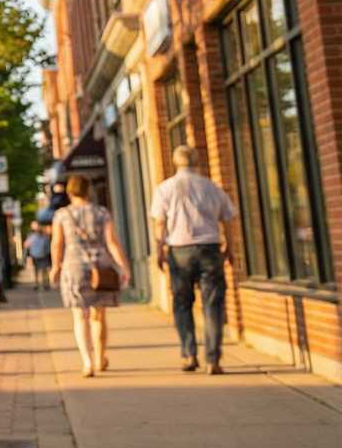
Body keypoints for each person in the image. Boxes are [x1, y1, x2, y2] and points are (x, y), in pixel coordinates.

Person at [149, 144, 238, 374]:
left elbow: (159, 223)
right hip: (209, 248)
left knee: (181, 303)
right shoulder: (210, 187)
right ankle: (213, 360)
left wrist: (159, 249)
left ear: (175, 162)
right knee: (213, 303)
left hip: (179, 250)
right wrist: (229, 244)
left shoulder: (165, 188)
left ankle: (189, 354)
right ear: (196, 162)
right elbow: (227, 216)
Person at [52, 174, 132, 377]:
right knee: (99, 316)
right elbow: (112, 242)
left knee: (80, 316)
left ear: (70, 192)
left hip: (74, 267)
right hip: (101, 267)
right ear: (89, 191)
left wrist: (55, 266)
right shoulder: (101, 212)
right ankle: (100, 358)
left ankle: (86, 362)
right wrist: (124, 267)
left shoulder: (62, 215)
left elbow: (57, 243)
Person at [26, 224, 53, 291]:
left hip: (36, 256)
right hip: (42, 256)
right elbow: (48, 248)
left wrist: (31, 251)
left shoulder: (32, 237)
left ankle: (37, 284)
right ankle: (44, 285)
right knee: (43, 271)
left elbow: (26, 245)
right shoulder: (44, 238)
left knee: (36, 271)